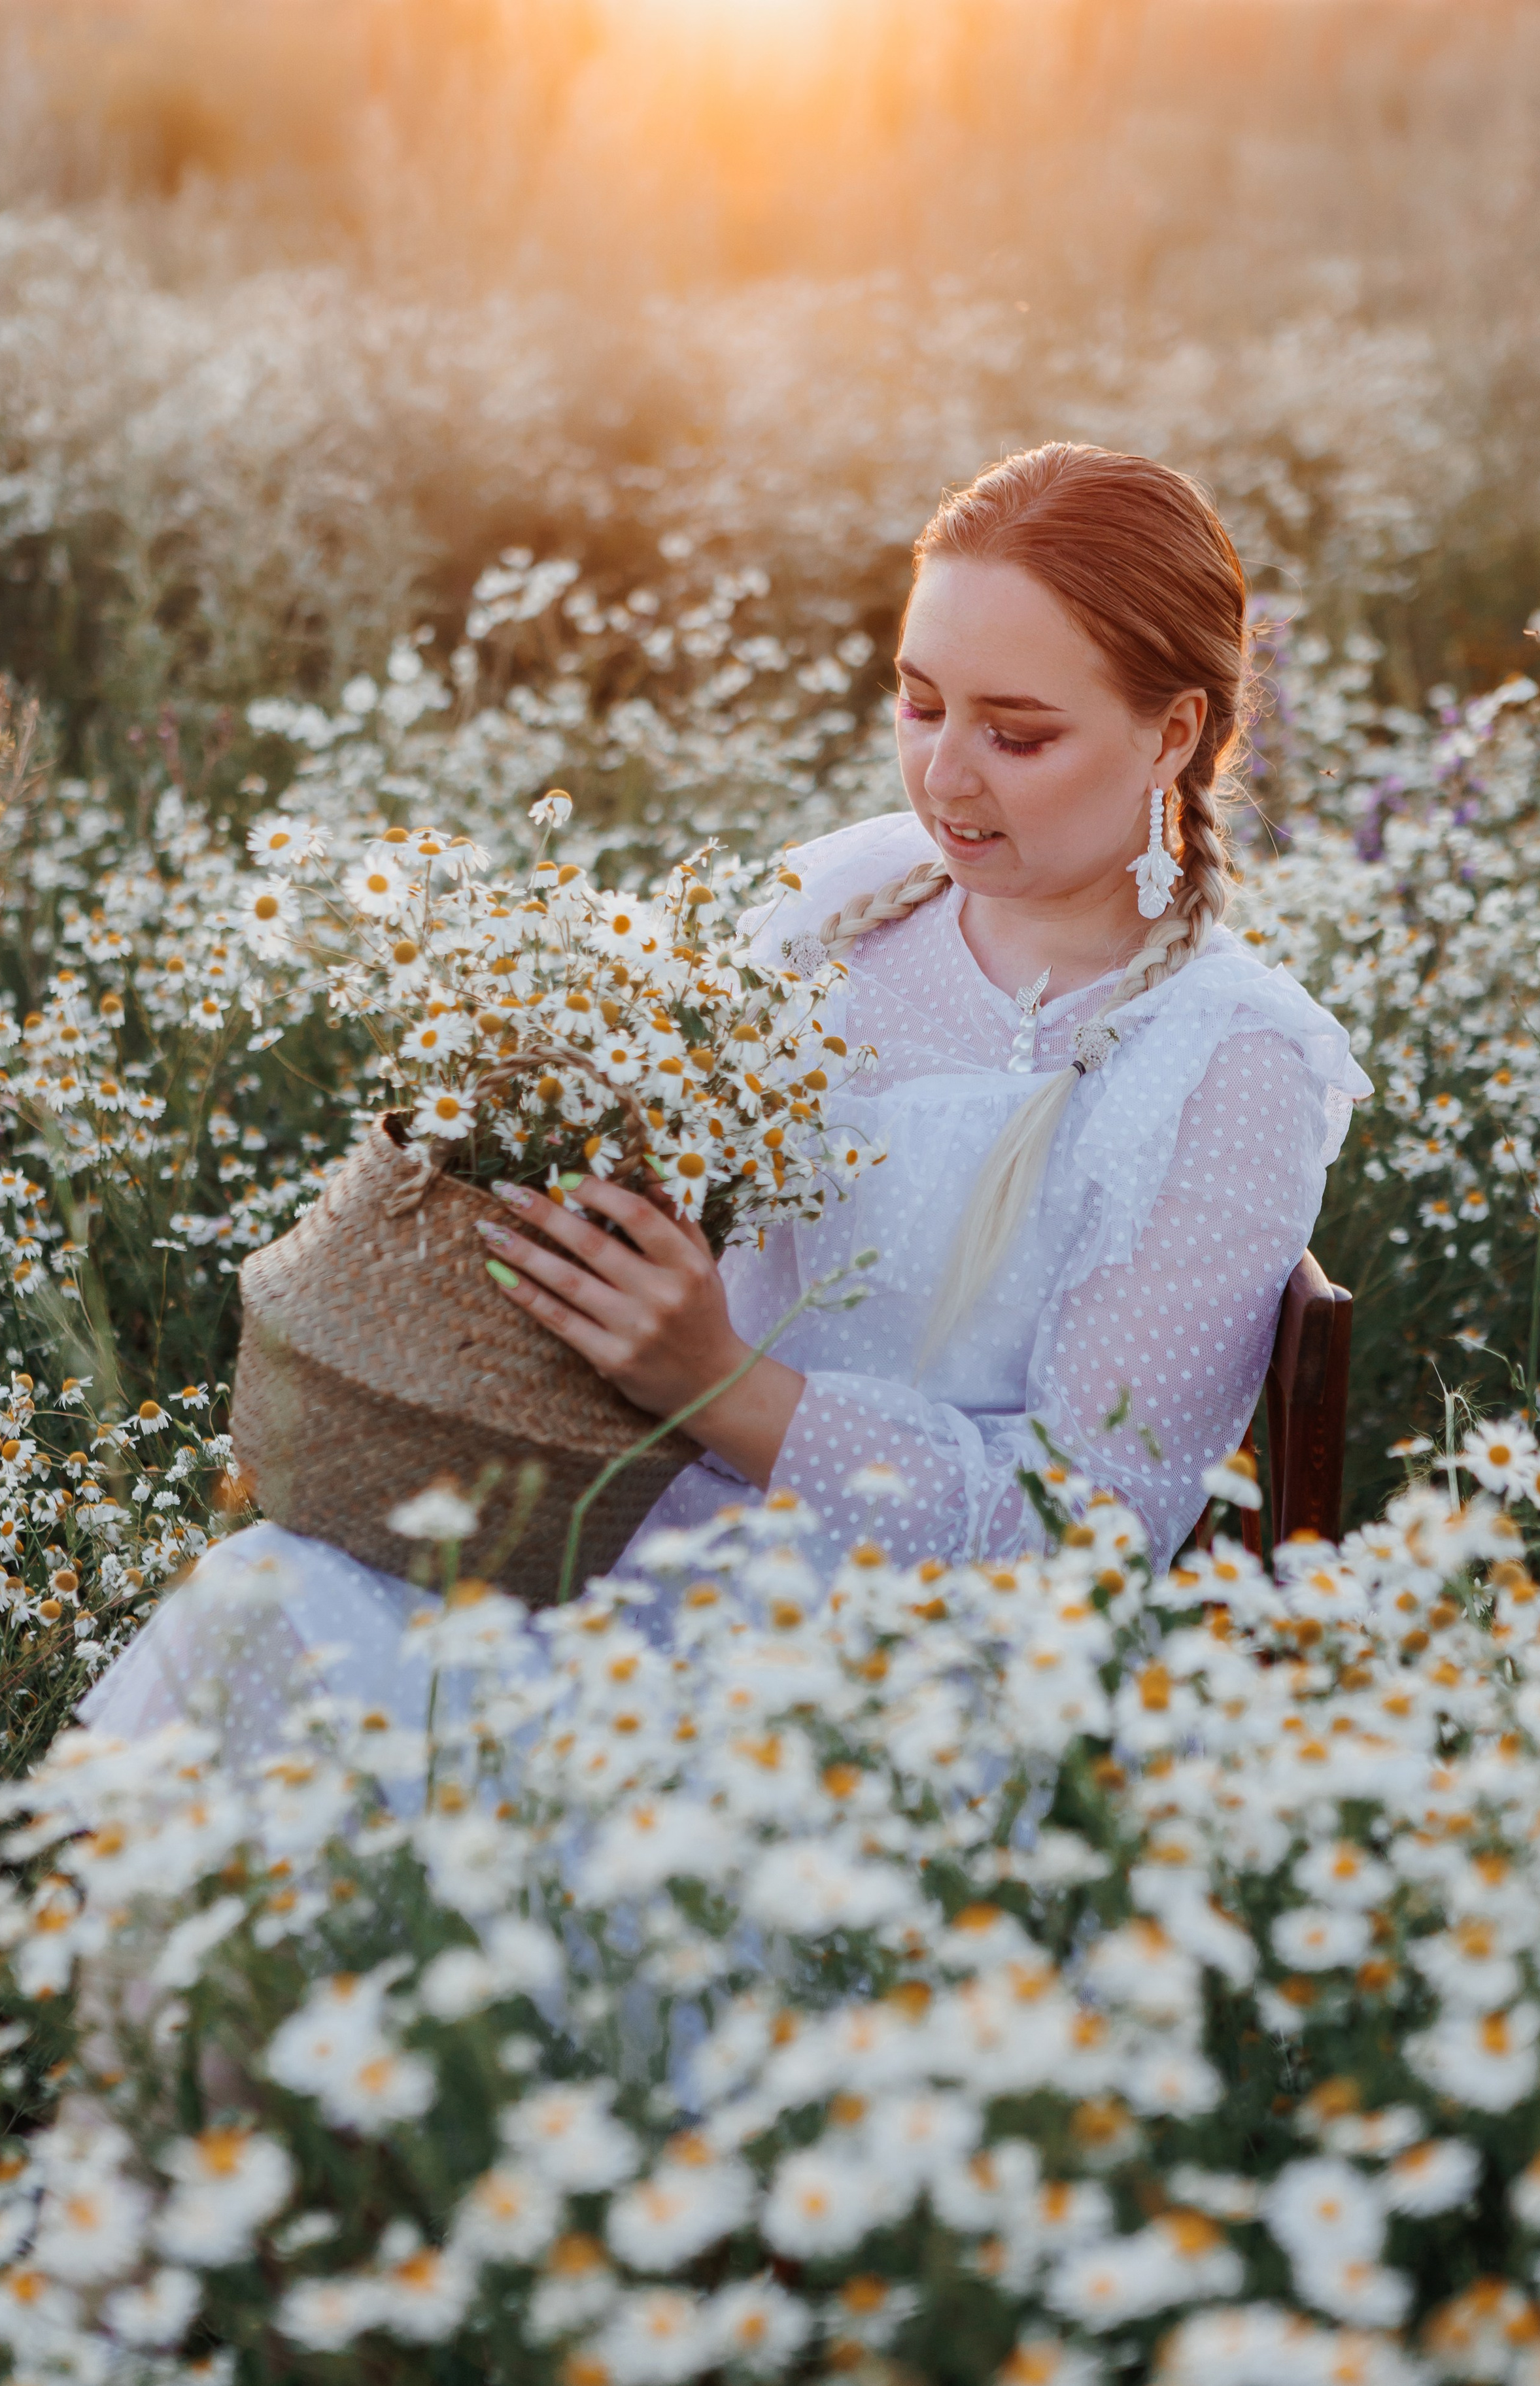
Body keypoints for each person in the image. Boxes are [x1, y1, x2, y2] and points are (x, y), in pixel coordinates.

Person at [81, 441, 1368, 1752]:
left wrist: (720, 1386)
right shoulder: (839, 908)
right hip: (634, 1552)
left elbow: (1074, 1543)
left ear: (1172, 732)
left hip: (912, 1693)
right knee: (257, 1607)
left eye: (1017, 732)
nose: (945, 777)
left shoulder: (1224, 1063)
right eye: (919, 706)